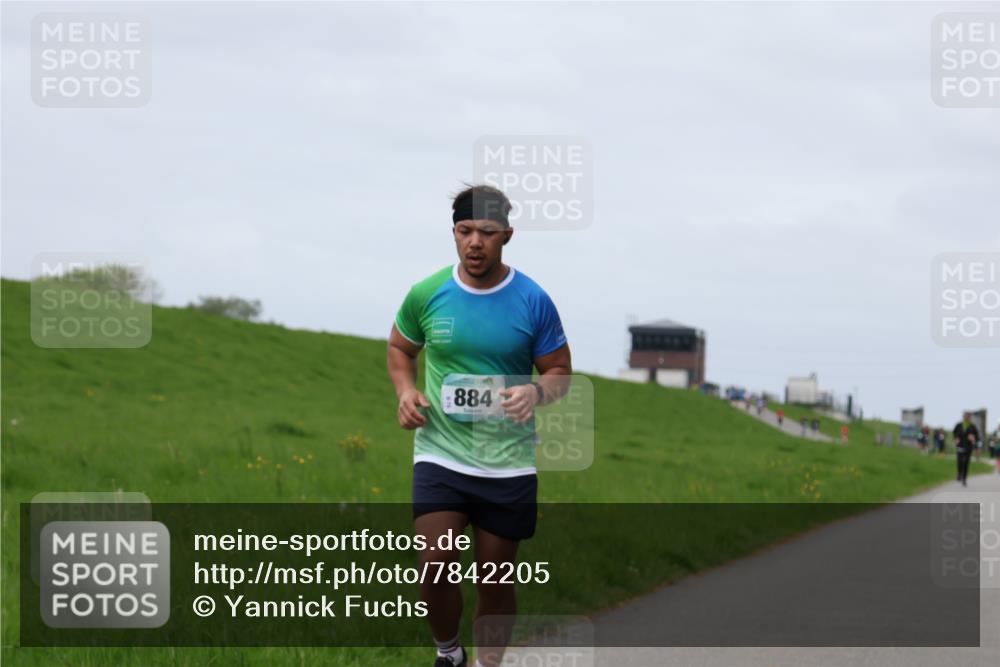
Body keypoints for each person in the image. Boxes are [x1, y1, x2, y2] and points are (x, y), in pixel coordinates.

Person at [387, 184, 572, 667]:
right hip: (440, 454)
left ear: (506, 235)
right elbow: (400, 350)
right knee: (434, 566)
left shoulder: (533, 301)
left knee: (495, 579)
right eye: (465, 231)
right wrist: (406, 391)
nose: (475, 242)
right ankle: (449, 653)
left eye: (487, 232)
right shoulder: (427, 294)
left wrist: (534, 392)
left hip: (507, 463)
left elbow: (559, 373)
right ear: (453, 233)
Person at [953, 412, 980, 487]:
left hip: (968, 447)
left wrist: (973, 438)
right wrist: (956, 438)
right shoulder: (959, 425)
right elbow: (954, 433)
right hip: (960, 446)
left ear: (970, 418)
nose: (967, 418)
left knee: (966, 463)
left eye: (969, 417)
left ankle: (964, 479)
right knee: (960, 462)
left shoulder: (972, 426)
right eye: (966, 416)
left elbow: (977, 437)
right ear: (963, 417)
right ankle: (959, 474)